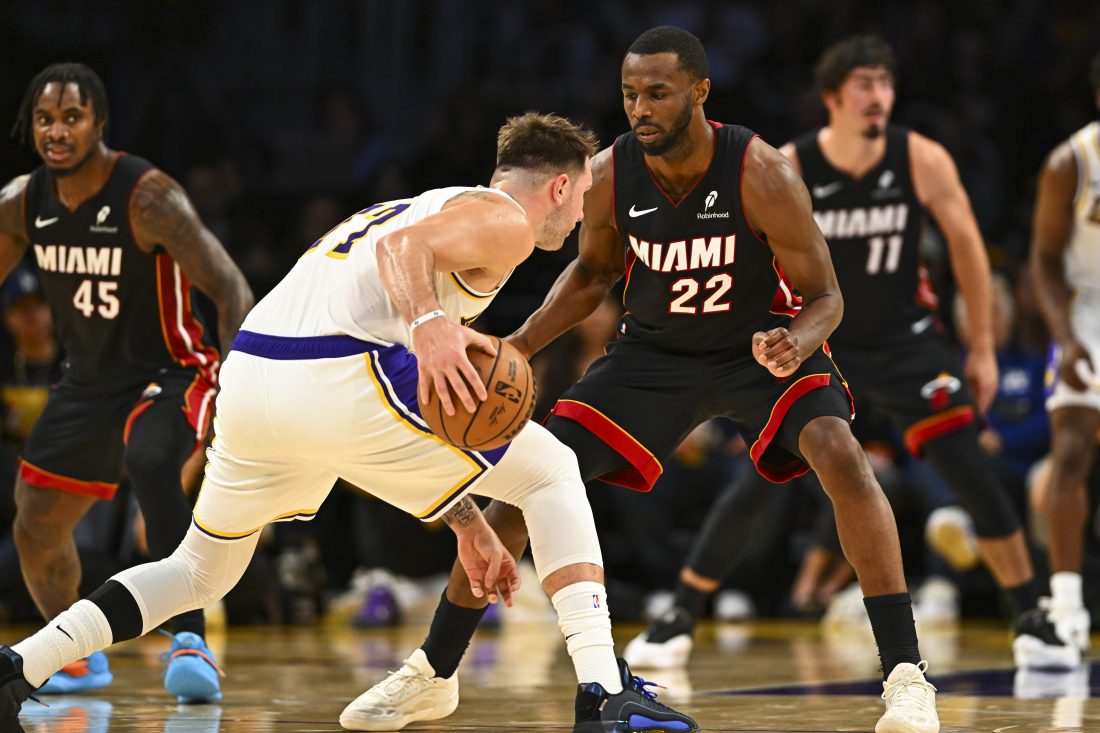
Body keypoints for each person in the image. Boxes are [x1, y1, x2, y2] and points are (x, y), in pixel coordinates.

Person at [0, 111, 699, 733]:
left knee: (196, 572)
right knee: (552, 470)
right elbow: (405, 261)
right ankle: (603, 689)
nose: (579, 217)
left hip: (253, 379)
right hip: (332, 371)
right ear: (558, 185)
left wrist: (466, 519)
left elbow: (395, 418)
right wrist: (429, 324)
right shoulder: (503, 219)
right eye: (579, 199)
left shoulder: (411, 207)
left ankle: (18, 666)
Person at [365, 26, 940, 733]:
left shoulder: (760, 171)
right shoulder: (608, 174)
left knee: (842, 454)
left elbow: (827, 295)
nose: (641, 108)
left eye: (658, 94)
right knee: (535, 477)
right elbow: (591, 275)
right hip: (652, 356)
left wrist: (797, 341)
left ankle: (907, 676)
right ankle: (434, 669)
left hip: (758, 348)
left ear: (700, 93)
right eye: (631, 93)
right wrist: (517, 342)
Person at [625, 34, 1075, 674]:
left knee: (966, 460)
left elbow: (969, 247)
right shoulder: (788, 163)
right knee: (763, 477)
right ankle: (680, 615)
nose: (879, 97)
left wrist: (979, 345)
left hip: (905, 340)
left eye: (886, 84)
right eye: (865, 84)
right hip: (821, 340)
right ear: (833, 97)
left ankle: (1031, 616)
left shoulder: (919, 157)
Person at [0, 63, 254, 703]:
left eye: (72, 118)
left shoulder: (147, 197)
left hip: (172, 369)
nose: (57, 132)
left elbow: (228, 286)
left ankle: (189, 639)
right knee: (34, 524)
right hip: (88, 383)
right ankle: (77, 657)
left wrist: (246, 384)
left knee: (150, 457)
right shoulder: (21, 203)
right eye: (44, 119)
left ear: (100, 124)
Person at [1027, 51, 1100, 655]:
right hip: (1088, 311)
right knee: (1072, 450)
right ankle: (1068, 606)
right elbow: (1044, 260)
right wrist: (1067, 336)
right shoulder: (1071, 162)